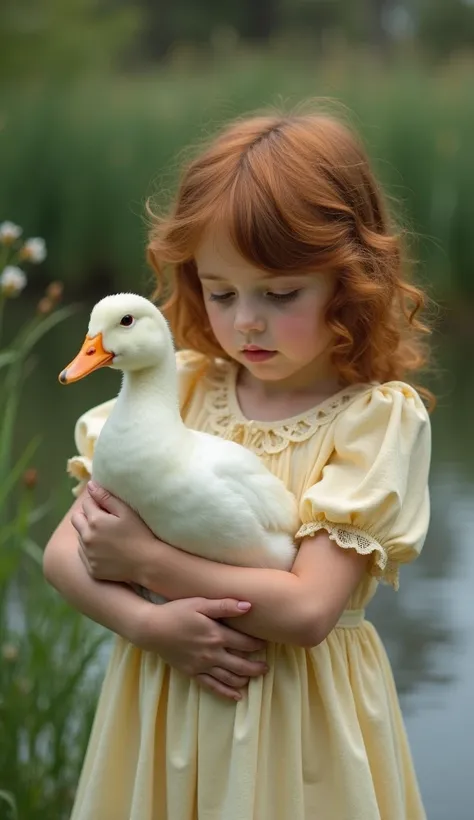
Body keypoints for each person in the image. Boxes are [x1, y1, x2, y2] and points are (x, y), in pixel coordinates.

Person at [43, 105, 432, 820]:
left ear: (351, 282)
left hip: (299, 720)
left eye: (279, 294)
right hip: (166, 693)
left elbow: (308, 611)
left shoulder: (373, 421)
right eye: (221, 293)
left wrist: (149, 565)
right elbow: (67, 553)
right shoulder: (176, 391)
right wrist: (146, 625)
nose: (245, 319)